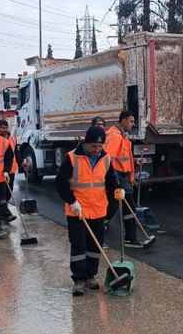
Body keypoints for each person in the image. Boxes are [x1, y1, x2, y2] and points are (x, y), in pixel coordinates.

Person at [56, 126, 122, 296]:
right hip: (77, 211)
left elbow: (111, 181)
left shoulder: (105, 158)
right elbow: (61, 183)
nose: (97, 150)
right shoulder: (72, 158)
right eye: (94, 146)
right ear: (86, 143)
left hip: (98, 209)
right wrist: (72, 201)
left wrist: (117, 190)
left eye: (100, 147)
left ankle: (90, 276)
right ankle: (78, 279)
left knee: (95, 245)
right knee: (79, 244)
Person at [104, 110, 145, 247]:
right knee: (129, 207)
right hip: (119, 177)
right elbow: (109, 159)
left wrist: (134, 163)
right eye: (131, 121)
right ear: (123, 121)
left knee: (115, 204)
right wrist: (113, 179)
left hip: (123, 176)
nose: (133, 124)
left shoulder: (123, 137)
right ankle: (131, 238)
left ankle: (102, 222)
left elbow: (122, 159)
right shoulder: (115, 137)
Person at [0, 119, 22, 223]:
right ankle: (6, 214)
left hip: (11, 170)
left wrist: (22, 163)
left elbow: (16, 153)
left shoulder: (12, 139)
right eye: (2, 128)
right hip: (0, 171)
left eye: (6, 127)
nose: (5, 130)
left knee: (8, 192)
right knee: (2, 193)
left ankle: (0, 212)